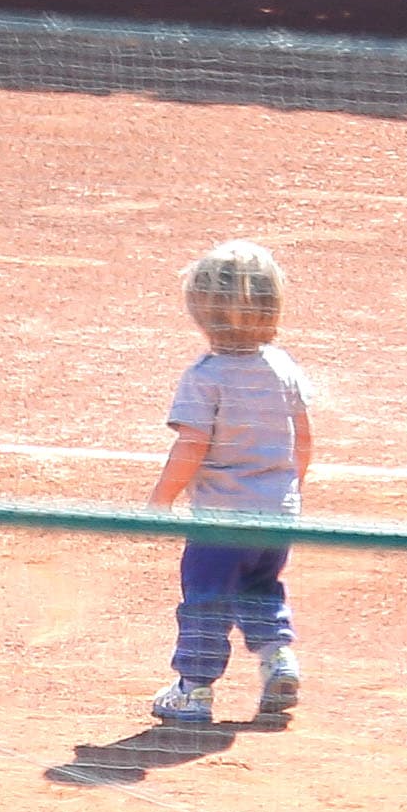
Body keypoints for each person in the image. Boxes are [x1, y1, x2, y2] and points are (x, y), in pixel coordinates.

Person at [147, 240, 312, 725]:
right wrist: (289, 490)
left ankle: (193, 689)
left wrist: (162, 497)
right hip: (277, 515)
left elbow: (192, 445)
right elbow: (303, 439)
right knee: (262, 588)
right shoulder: (283, 368)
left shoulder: (205, 377)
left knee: (206, 598)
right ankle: (278, 659)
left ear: (199, 312)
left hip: (221, 520)